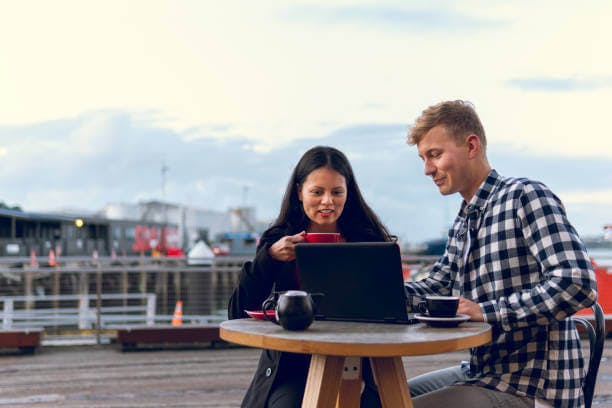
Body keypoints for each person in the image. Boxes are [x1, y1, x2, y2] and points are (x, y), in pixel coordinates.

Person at [404, 100, 598, 408]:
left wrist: (486, 311)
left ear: (471, 145)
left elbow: (577, 283)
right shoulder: (466, 217)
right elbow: (439, 285)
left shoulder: (525, 196)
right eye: (423, 158)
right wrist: (380, 293)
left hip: (533, 388)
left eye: (435, 155)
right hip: (484, 373)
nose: (428, 169)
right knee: (381, 397)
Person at [228, 145, 393, 407]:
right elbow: (238, 312)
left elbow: (389, 307)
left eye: (337, 192)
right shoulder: (278, 239)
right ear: (299, 193)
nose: (327, 201)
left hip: (360, 360)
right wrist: (269, 258)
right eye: (317, 192)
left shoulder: (367, 239)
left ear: (348, 194)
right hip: (293, 365)